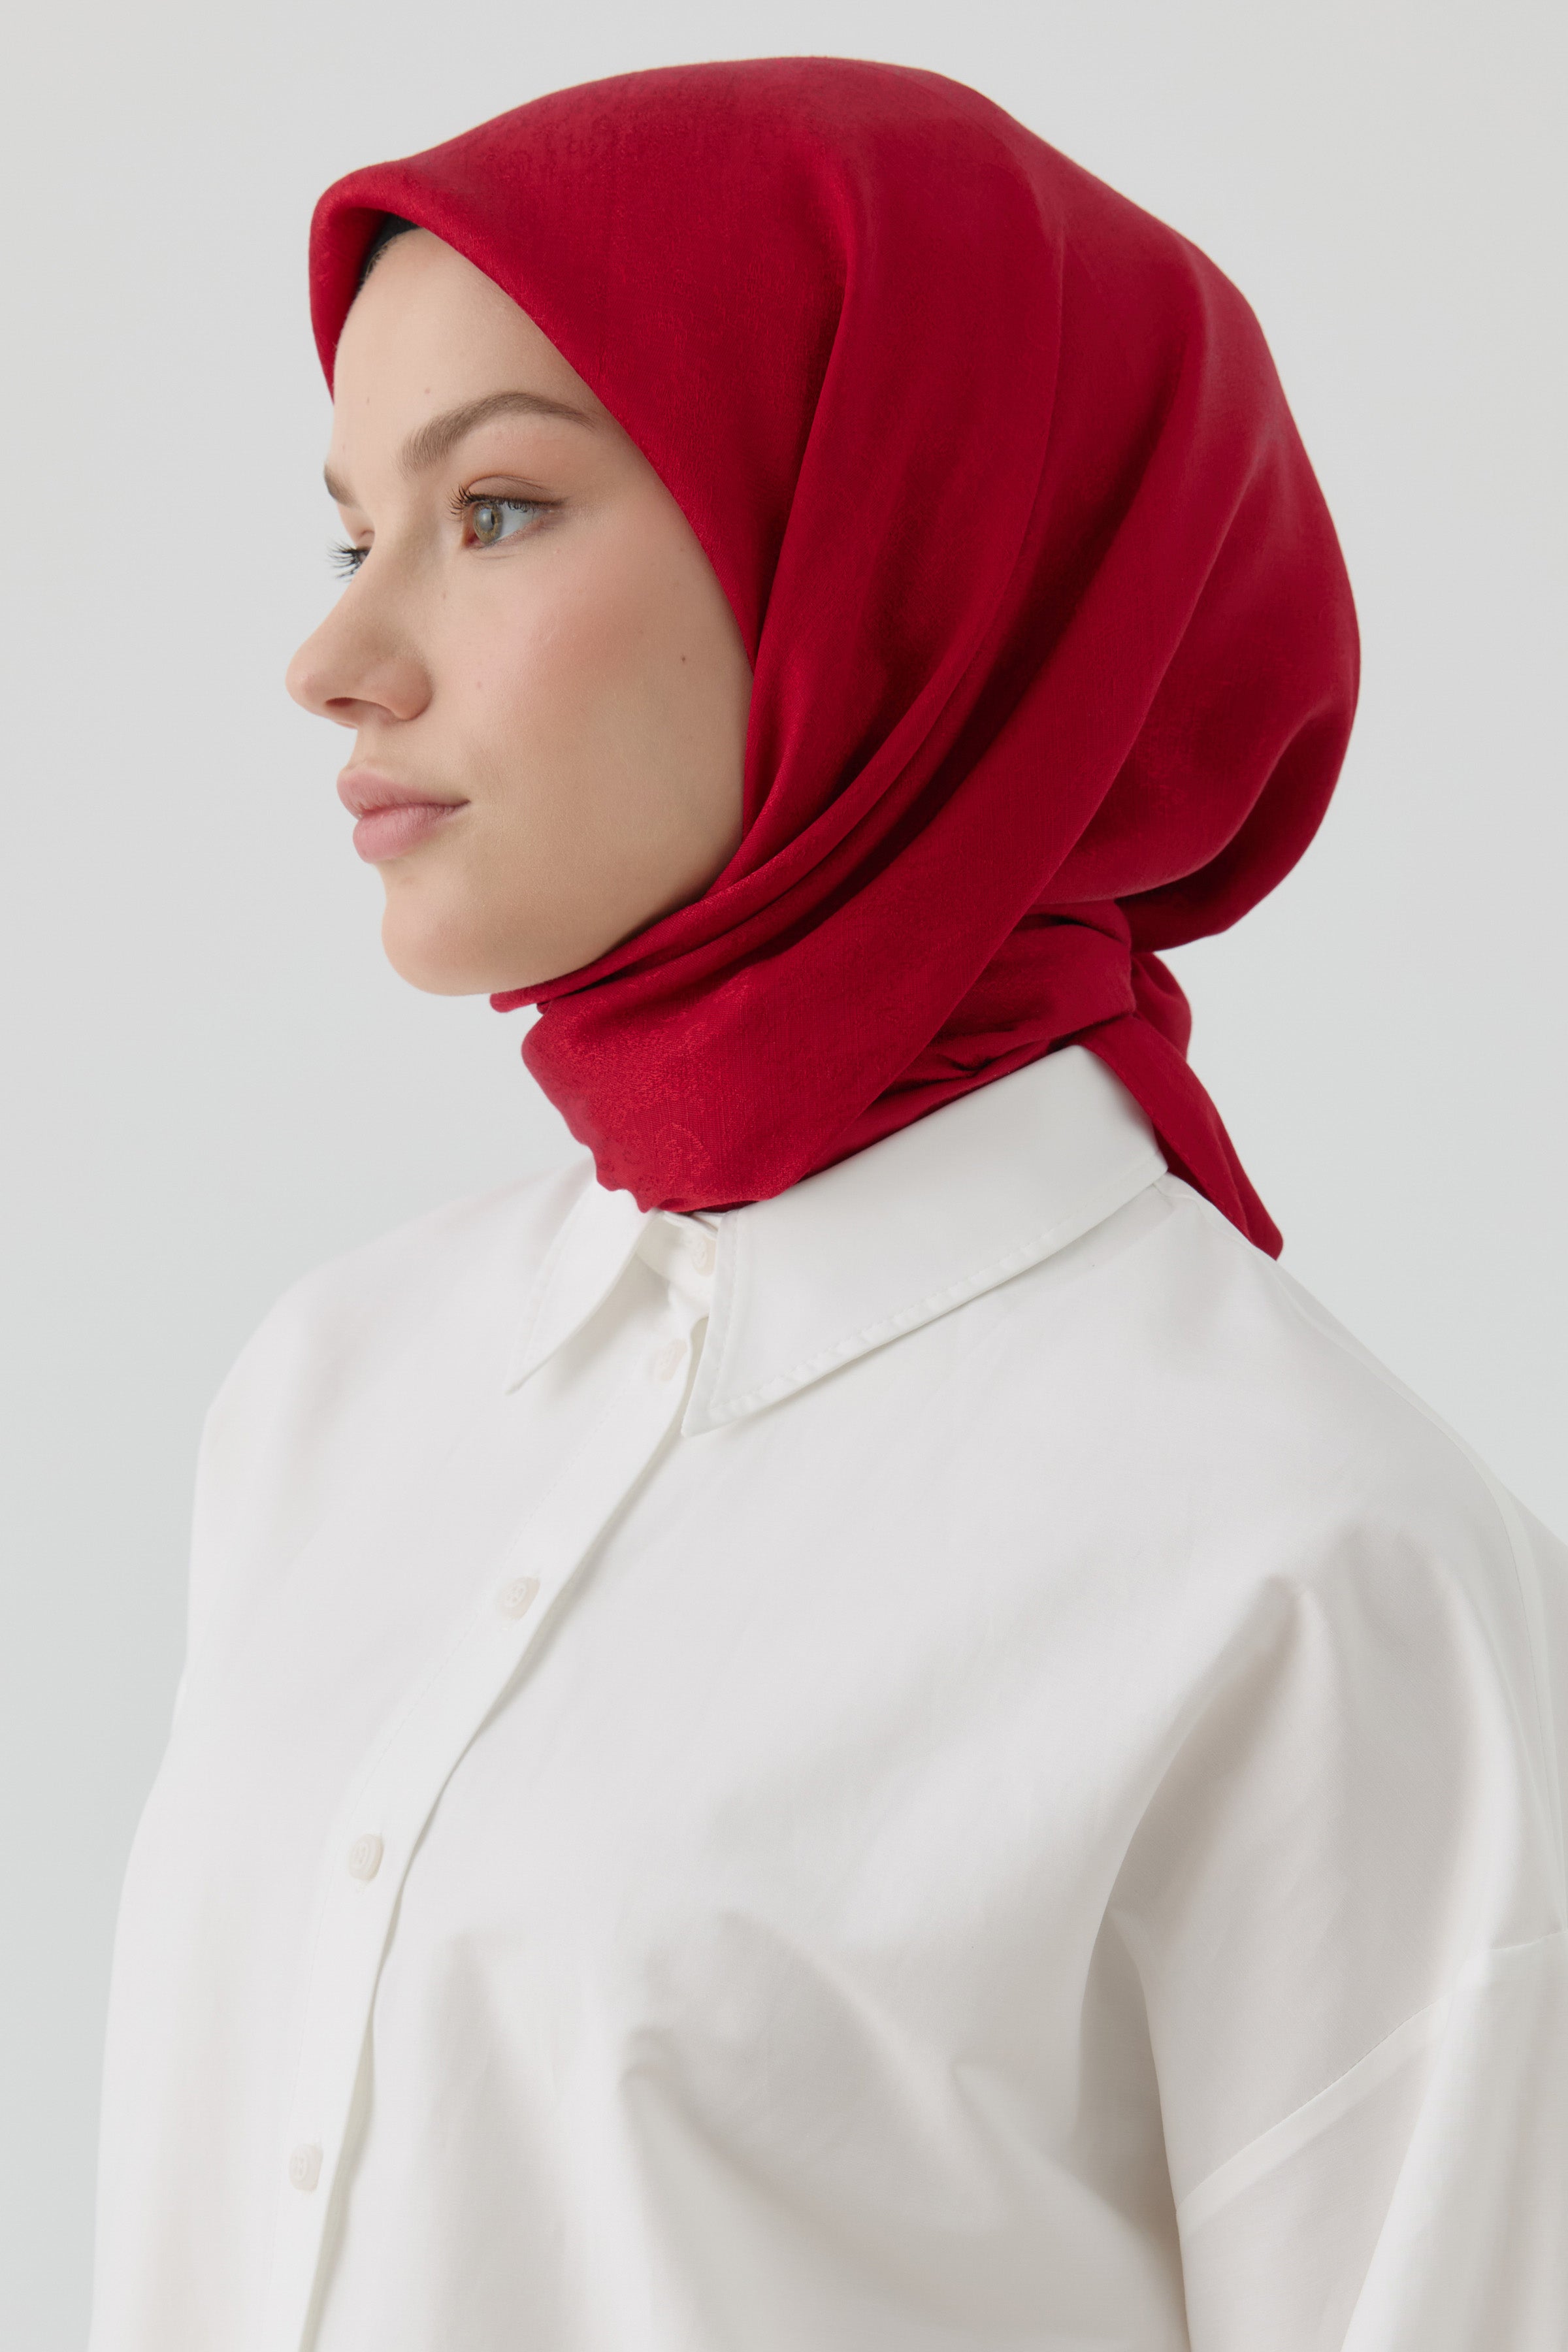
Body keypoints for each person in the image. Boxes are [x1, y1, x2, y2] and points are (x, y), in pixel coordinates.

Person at [89, 57, 1567, 2352]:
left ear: (889, 562)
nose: (336, 660)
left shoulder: (1312, 1569)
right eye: (350, 534)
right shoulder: (336, 1394)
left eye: (495, 509)